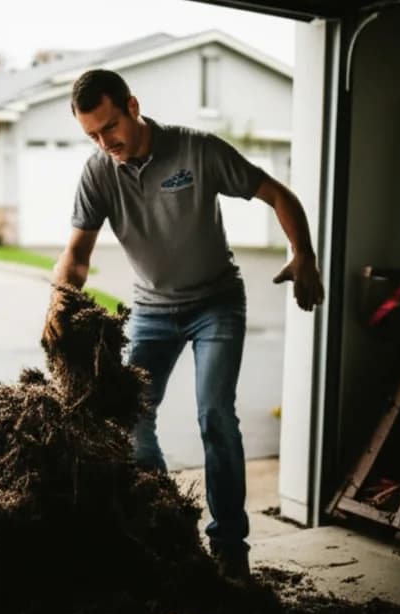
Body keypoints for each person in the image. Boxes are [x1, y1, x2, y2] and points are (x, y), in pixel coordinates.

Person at [44, 68, 324, 579]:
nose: (106, 143)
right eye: (92, 136)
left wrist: (303, 254)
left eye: (110, 128)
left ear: (132, 105)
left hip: (216, 304)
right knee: (131, 418)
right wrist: (59, 302)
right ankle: (160, 523)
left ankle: (229, 547)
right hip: (151, 311)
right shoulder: (99, 173)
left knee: (215, 416)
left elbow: (279, 194)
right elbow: (76, 254)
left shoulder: (198, 150)